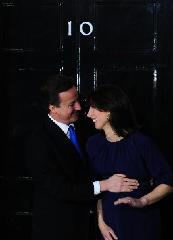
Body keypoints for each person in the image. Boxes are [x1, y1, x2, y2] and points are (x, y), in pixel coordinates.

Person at [25, 74, 139, 240]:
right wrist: (105, 185)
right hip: (58, 229)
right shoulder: (38, 141)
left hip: (91, 225)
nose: (79, 107)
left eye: (78, 100)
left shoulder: (86, 126)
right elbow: (61, 188)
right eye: (72, 104)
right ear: (53, 108)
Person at [86, 84, 173, 240]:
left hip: (141, 222)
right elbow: (94, 186)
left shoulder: (141, 143)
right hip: (108, 226)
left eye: (94, 108)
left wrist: (142, 201)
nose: (88, 114)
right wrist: (101, 222)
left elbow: (167, 181)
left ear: (109, 111)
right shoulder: (93, 144)